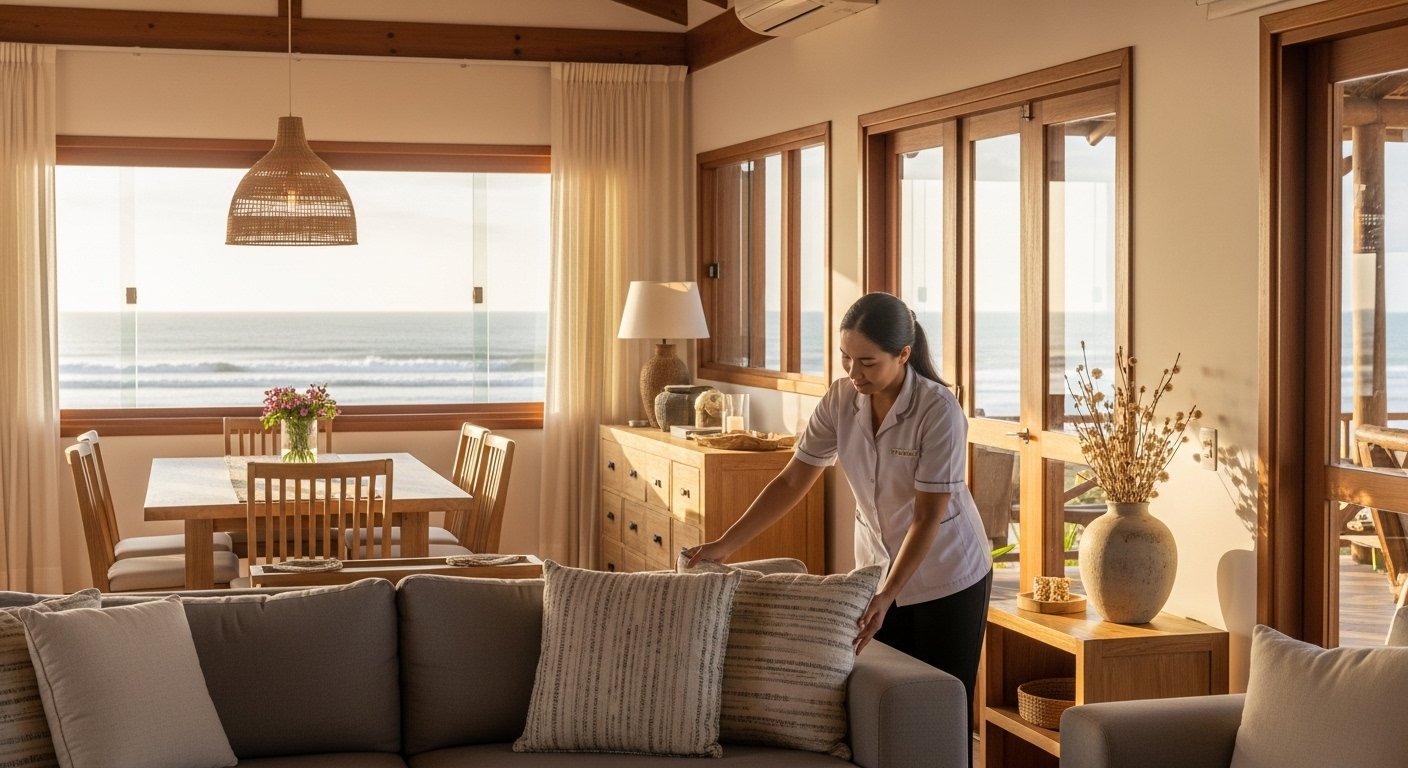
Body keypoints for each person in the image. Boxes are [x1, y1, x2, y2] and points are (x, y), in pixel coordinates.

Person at [684, 291, 993, 750]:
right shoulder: (841, 399)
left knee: (941, 713)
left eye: (867, 362)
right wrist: (724, 547)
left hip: (947, 575)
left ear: (903, 355)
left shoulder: (937, 410)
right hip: (878, 570)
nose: (854, 373)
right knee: (885, 711)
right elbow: (792, 482)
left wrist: (889, 594)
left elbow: (927, 516)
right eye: (846, 358)